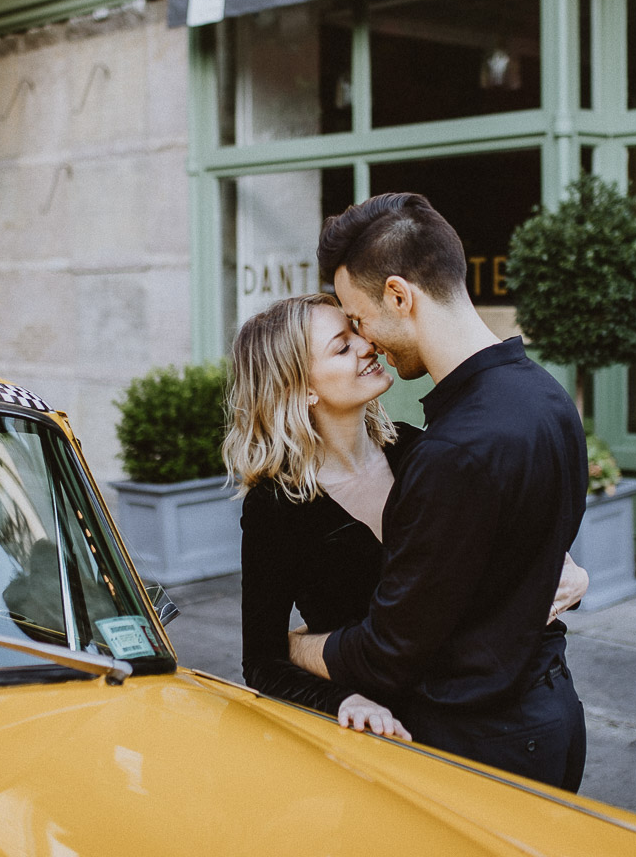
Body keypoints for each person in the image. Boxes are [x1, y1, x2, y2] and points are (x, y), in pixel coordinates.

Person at [286, 192, 590, 792]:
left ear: (399, 296)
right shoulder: (548, 397)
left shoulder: (453, 451)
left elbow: (387, 653)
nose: (366, 340)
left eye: (359, 317)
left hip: (478, 748)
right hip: (552, 716)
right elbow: (527, 553)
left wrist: (291, 643)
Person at [224, 293, 587, 741]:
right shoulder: (275, 509)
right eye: (342, 346)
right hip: (384, 733)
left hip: (488, 716)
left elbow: (516, 559)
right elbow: (262, 661)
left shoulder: (422, 452)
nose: (367, 345)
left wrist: (570, 573)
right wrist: (344, 701)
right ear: (301, 388)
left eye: (357, 330)